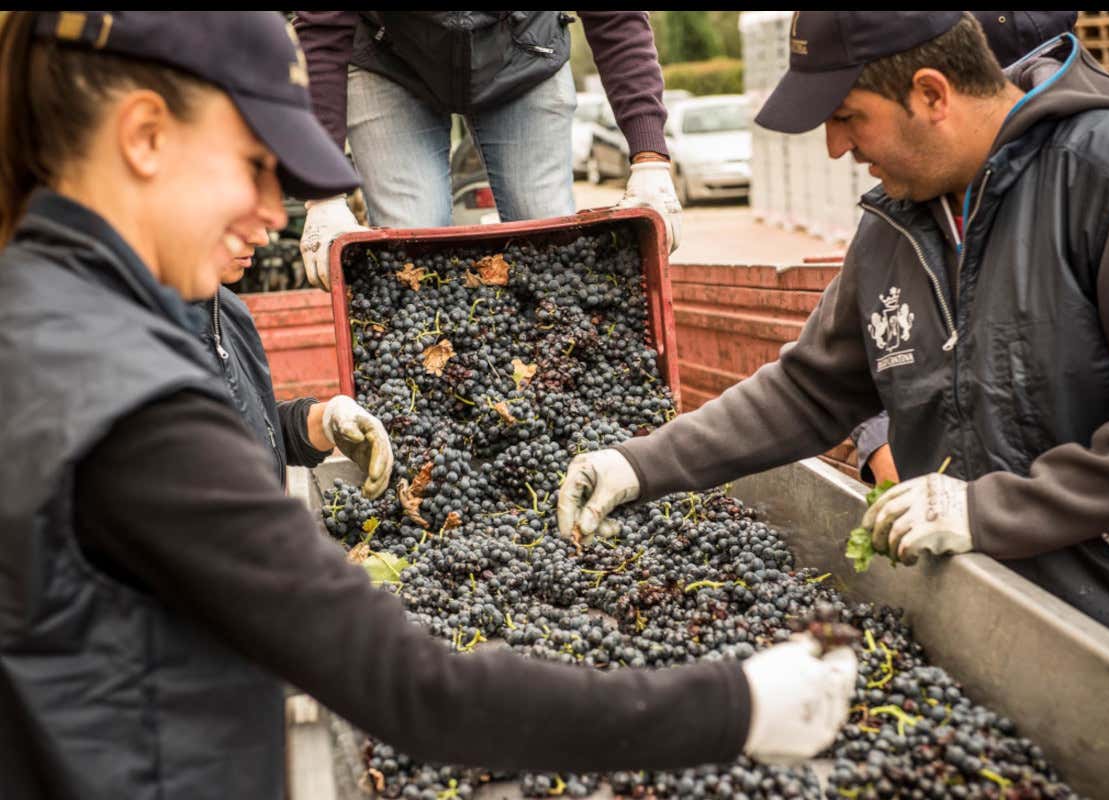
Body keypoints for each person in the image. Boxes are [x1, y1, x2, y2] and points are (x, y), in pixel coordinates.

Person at [0, 12, 857, 798]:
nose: (272, 212)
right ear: (145, 136)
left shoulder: (55, 320)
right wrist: (734, 705)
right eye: (259, 167)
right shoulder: (134, 405)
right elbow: (411, 687)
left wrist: (306, 424)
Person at [557, 11, 1109, 680]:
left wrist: (989, 511)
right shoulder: (894, 227)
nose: (835, 147)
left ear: (930, 94)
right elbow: (808, 391)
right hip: (987, 627)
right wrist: (639, 465)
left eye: (847, 116)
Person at [848, 12, 1080, 487]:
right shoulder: (901, 208)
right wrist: (877, 436)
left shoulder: (1108, 187)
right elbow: (828, 374)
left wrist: (985, 512)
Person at [294, 11, 684, 292]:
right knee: (411, 256)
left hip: (526, 49)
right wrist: (322, 191)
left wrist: (649, 157)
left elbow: (616, 19)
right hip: (388, 56)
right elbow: (323, 30)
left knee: (550, 250)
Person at [205, 226, 393, 497]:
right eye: (234, 218)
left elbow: (247, 429)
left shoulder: (228, 311)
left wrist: (325, 421)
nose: (261, 237)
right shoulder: (145, 339)